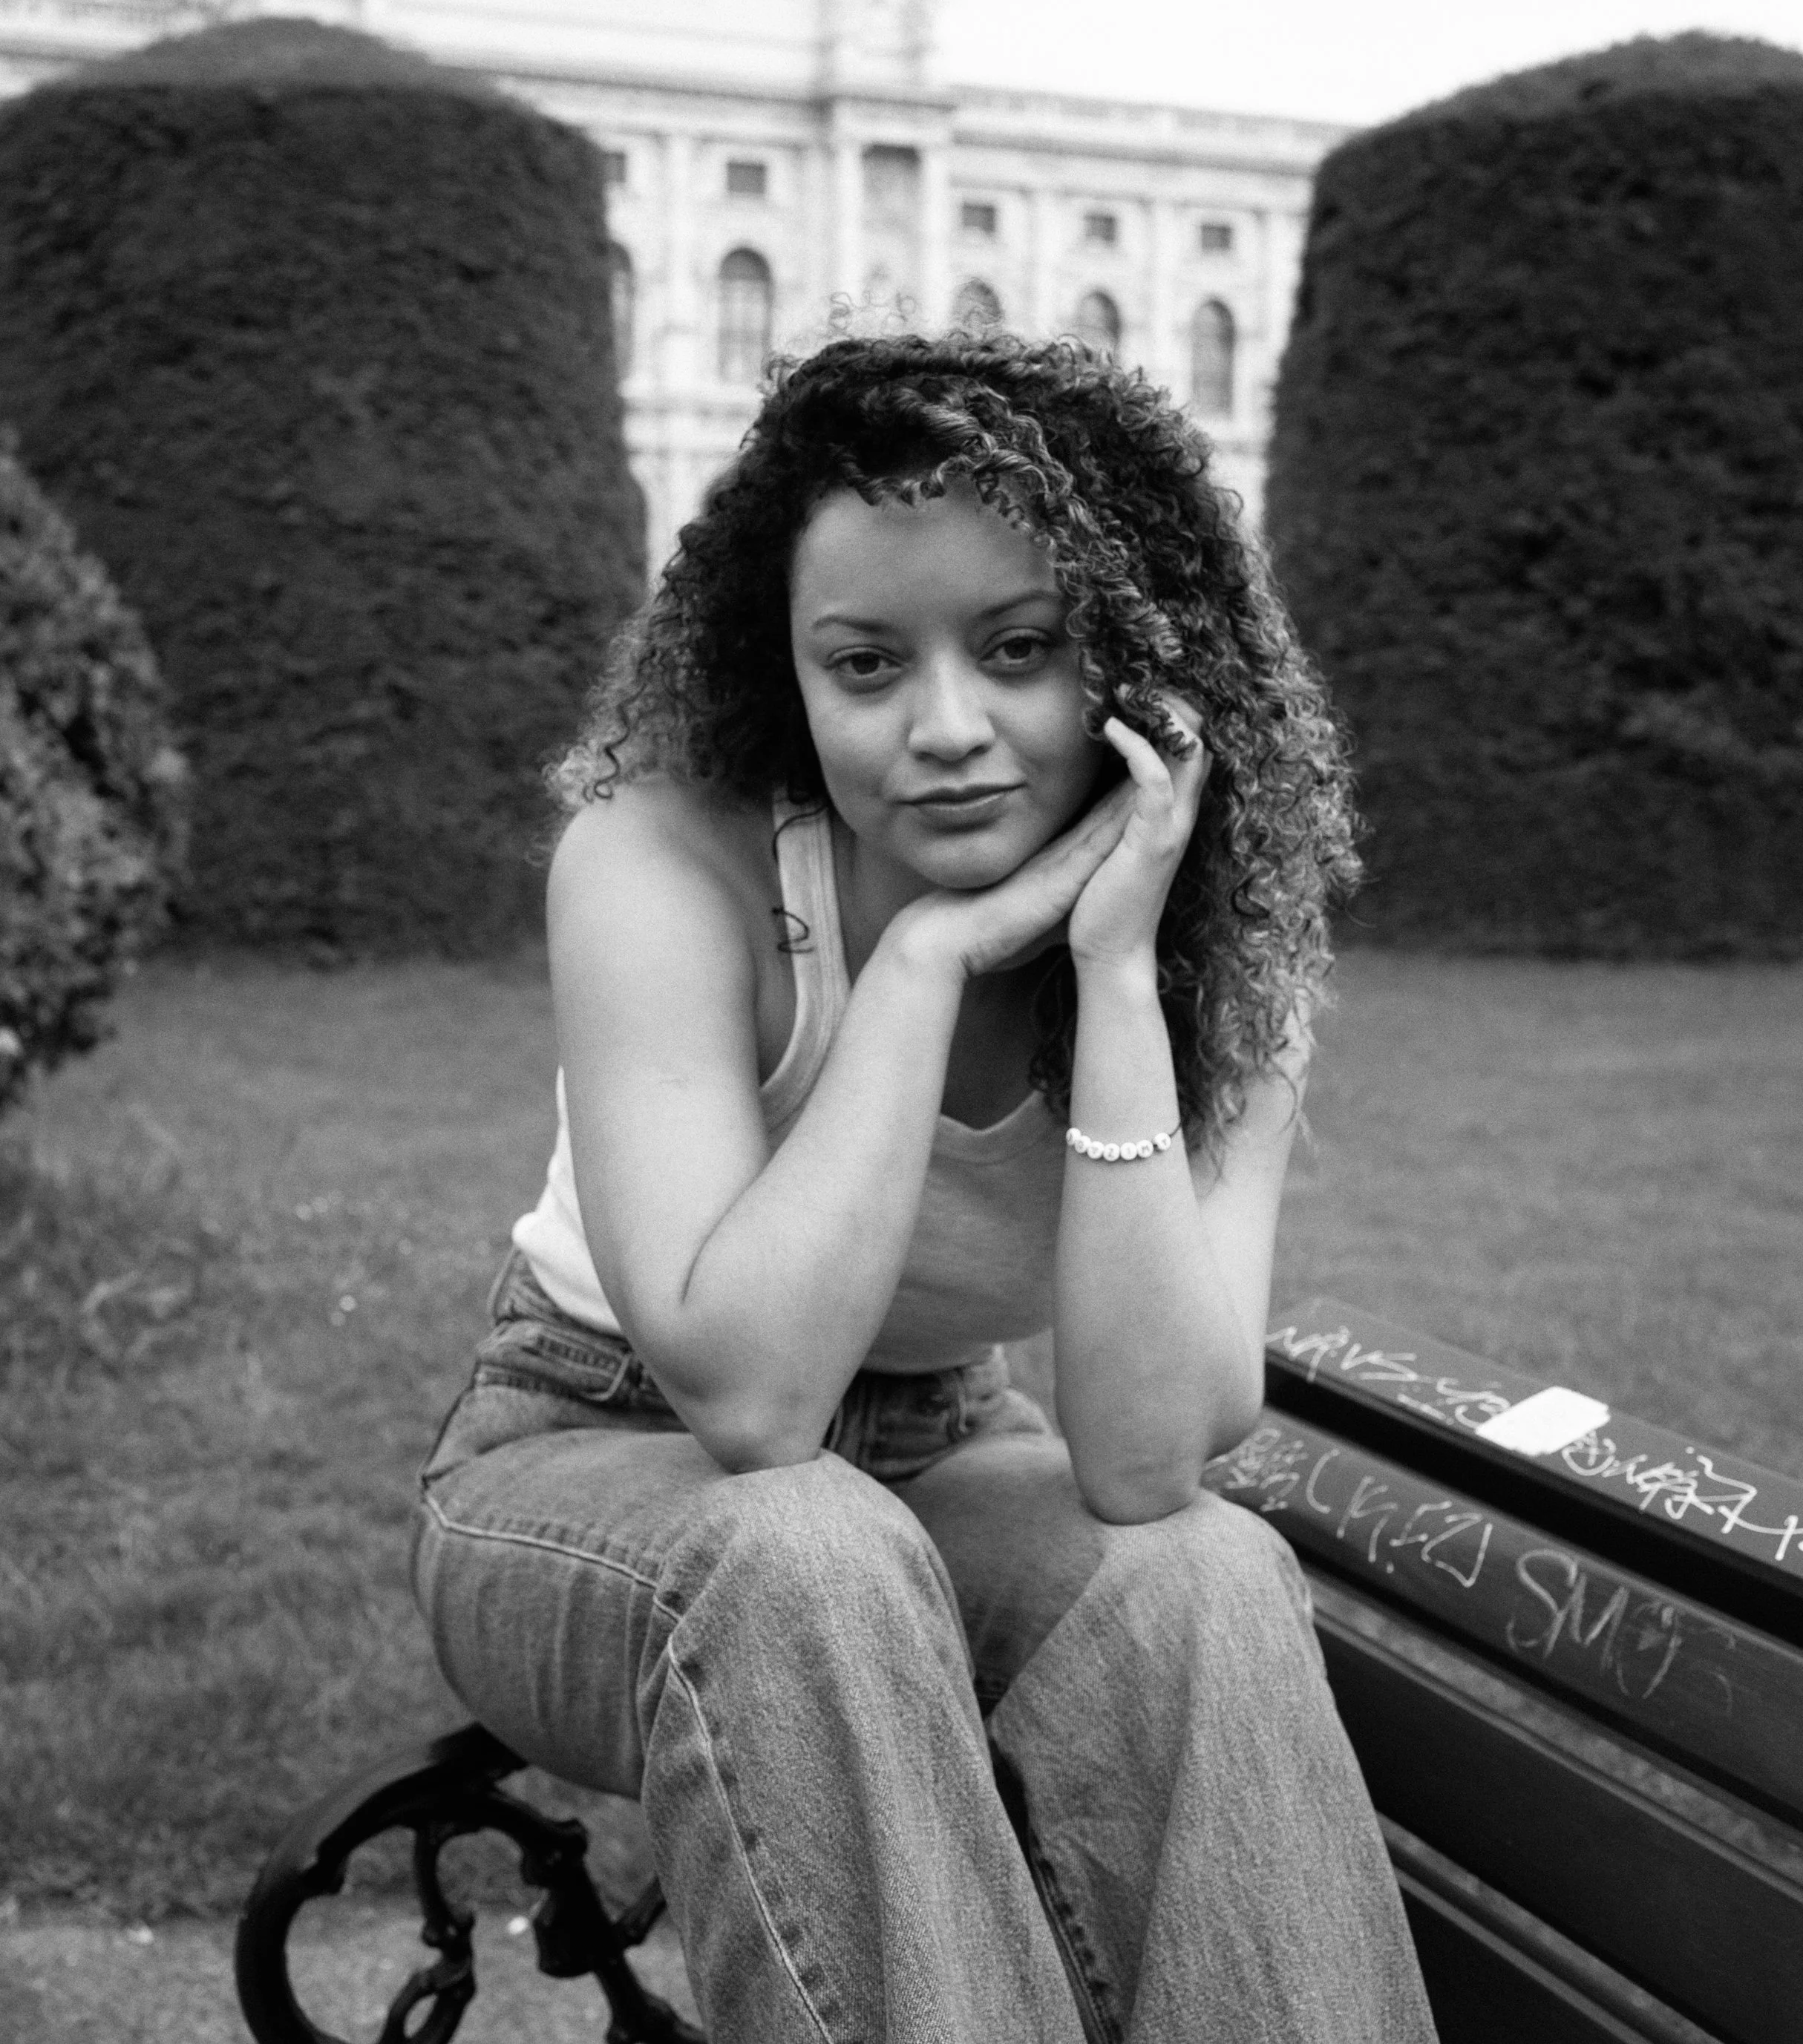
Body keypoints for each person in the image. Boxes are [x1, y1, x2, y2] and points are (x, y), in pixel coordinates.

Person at [412, 332, 1437, 2044]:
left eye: (1020, 650)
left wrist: (1113, 983)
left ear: (1132, 655)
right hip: (586, 1456)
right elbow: (747, 1396)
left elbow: (1137, 1457)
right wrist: (926, 964)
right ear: (788, 672)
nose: (945, 729)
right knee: (803, 1549)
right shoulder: (664, 857)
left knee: (1201, 1577)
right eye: (866, 663)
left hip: (940, 1453)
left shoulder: (1228, 956)